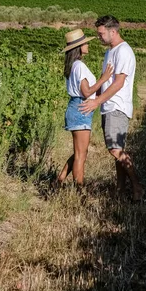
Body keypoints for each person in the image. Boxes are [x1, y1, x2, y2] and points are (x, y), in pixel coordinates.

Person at [80, 15, 143, 202]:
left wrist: (97, 101)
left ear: (113, 31)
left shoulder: (123, 51)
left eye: (101, 34)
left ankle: (137, 187)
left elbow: (118, 83)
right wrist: (94, 98)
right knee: (117, 149)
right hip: (108, 106)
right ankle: (121, 191)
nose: (99, 37)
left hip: (117, 105)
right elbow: (105, 80)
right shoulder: (110, 52)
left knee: (115, 150)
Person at [56, 28, 113, 188]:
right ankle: (79, 190)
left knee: (79, 152)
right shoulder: (79, 66)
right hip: (81, 108)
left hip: (76, 107)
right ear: (79, 47)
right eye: (85, 43)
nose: (87, 44)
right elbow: (86, 91)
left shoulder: (73, 65)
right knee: (81, 155)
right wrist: (104, 79)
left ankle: (59, 180)